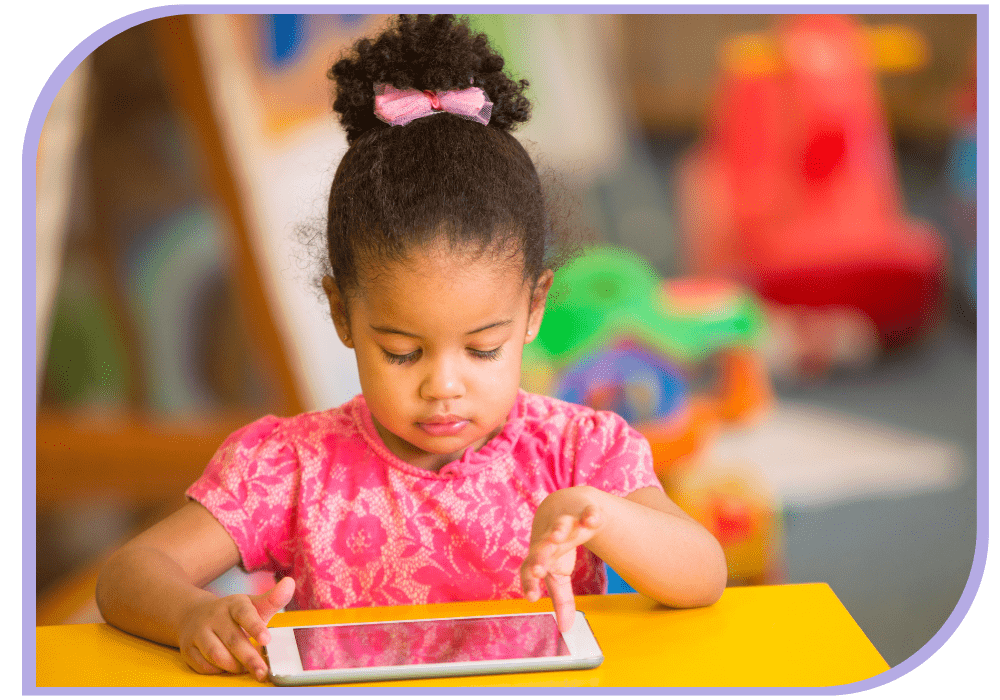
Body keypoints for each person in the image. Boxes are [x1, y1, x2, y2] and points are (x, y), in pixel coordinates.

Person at [95, 14, 727, 683]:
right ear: (343, 311)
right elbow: (129, 574)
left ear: (533, 308)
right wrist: (194, 615)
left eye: (483, 349)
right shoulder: (290, 468)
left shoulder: (579, 452)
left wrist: (601, 515)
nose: (443, 385)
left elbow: (704, 574)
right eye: (402, 351)